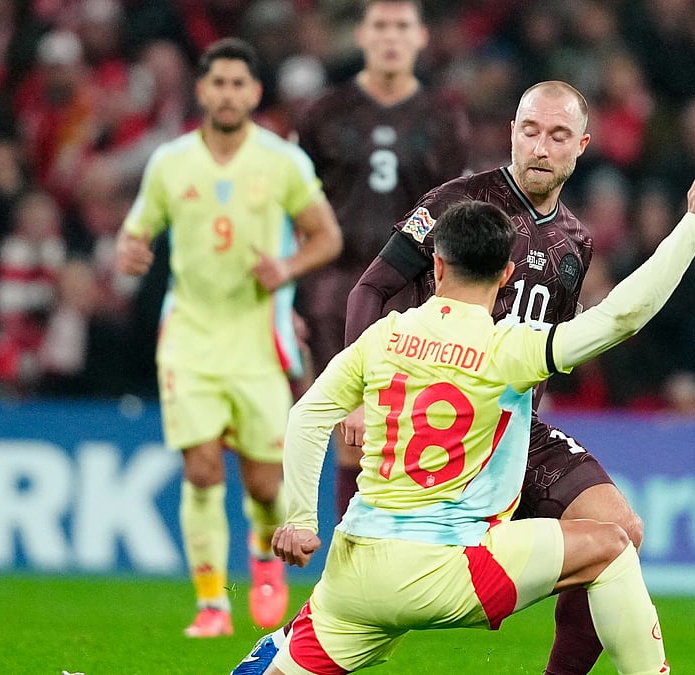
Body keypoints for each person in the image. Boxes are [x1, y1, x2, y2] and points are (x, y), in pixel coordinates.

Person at [232, 181, 695, 674]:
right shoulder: (508, 349)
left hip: (354, 572)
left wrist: (300, 520)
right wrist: (693, 224)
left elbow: (305, 418)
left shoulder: (382, 336)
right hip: (448, 569)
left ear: (436, 263)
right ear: (506, 274)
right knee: (611, 545)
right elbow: (621, 317)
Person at [341, 80, 640, 673]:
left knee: (620, 530)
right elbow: (370, 289)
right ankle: (303, 638)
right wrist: (360, 395)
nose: (540, 147)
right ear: (512, 132)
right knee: (374, 605)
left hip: (513, 430)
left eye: (557, 136)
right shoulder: (459, 202)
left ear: (581, 146)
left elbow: (555, 346)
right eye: (530, 131)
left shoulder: (576, 243)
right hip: (439, 423)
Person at [116, 37, 342, 638]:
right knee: (202, 470)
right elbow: (133, 235)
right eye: (218, 83)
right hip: (188, 337)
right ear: (202, 90)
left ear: (255, 93)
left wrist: (287, 269)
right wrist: (131, 252)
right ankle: (212, 603)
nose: (228, 94)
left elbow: (327, 237)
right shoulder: (170, 163)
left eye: (239, 84)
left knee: (266, 484)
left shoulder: (282, 162)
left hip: (258, 341)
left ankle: (265, 555)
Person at [292, 0, 470, 518]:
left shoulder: (443, 119)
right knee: (353, 431)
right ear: (362, 37)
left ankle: (401, 555)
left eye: (402, 26)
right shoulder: (323, 114)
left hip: (415, 292)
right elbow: (292, 207)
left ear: (420, 38)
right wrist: (289, 300)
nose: (391, 36)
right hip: (336, 292)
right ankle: (349, 561)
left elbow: (456, 212)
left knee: (413, 432)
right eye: (381, 26)